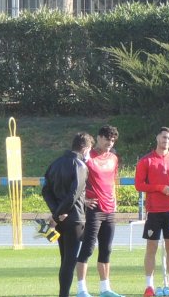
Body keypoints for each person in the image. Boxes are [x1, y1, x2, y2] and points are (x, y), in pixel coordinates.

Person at [135, 127, 169, 297]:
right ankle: (149, 287)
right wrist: (159, 188)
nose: (166, 141)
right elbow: (139, 185)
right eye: (164, 137)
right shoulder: (146, 160)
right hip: (154, 211)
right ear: (157, 137)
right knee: (151, 247)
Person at [75, 125, 124, 297]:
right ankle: (81, 289)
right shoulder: (87, 157)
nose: (110, 143)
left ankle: (105, 289)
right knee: (88, 249)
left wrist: (114, 201)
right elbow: (76, 181)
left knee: (106, 249)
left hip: (110, 210)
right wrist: (83, 200)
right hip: (94, 209)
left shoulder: (113, 158)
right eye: (107, 139)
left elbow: (112, 181)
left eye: (113, 140)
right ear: (99, 138)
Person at [43, 132, 92, 297]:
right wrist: (58, 214)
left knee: (64, 260)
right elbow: (74, 194)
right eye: (89, 150)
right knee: (70, 261)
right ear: (84, 148)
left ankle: (63, 293)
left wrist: (56, 213)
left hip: (60, 219)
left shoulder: (55, 164)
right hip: (75, 218)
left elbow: (46, 191)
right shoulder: (80, 165)